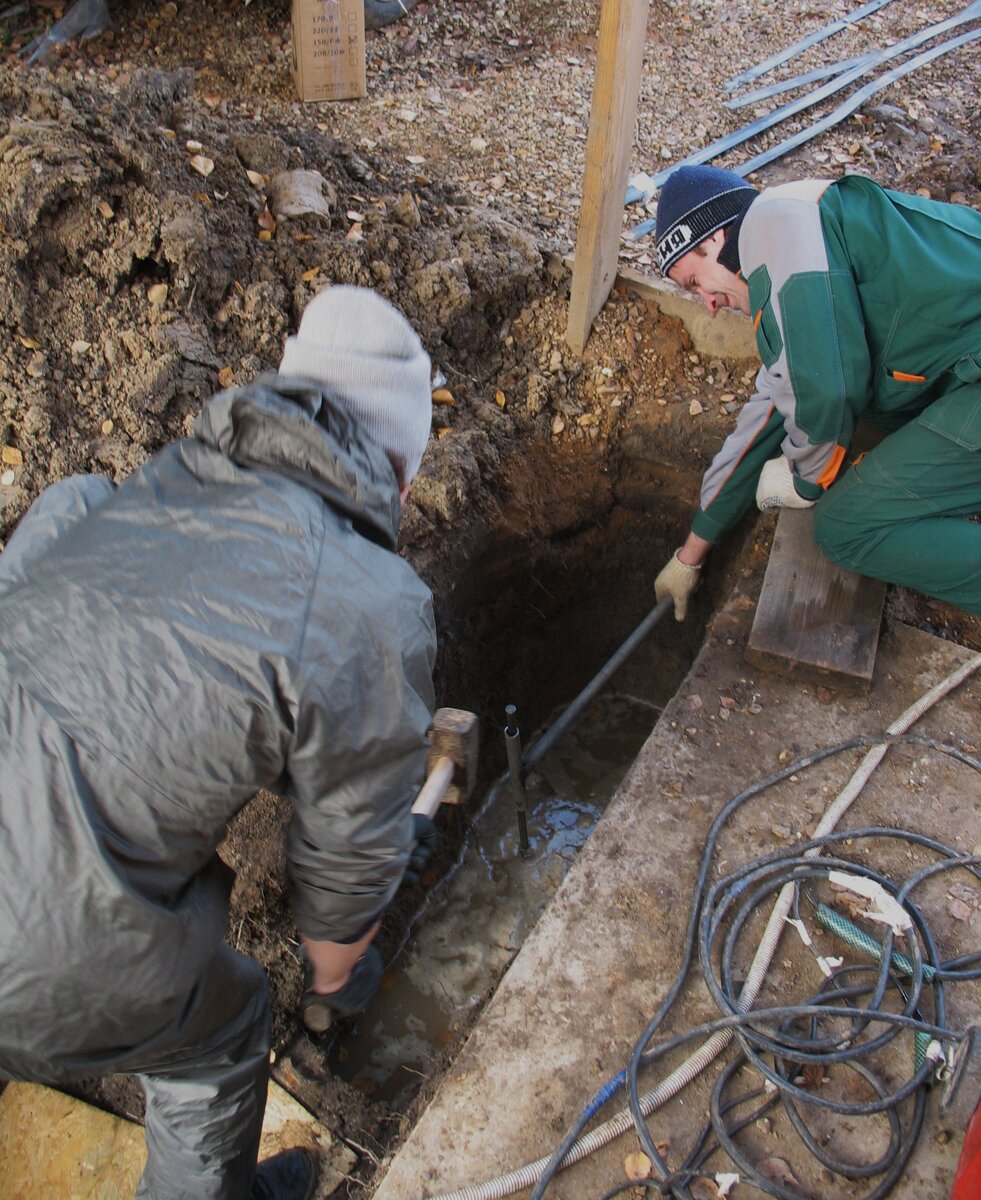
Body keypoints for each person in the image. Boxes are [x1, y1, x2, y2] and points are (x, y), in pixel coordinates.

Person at [0, 286, 438, 1200]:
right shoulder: (368, 600)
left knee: (74, 498)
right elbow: (352, 854)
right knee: (226, 1031)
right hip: (40, 943)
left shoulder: (164, 482)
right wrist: (333, 977)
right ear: (399, 474)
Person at [651, 164, 981, 621]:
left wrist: (804, 478)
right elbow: (764, 420)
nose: (706, 303)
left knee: (845, 526)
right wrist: (690, 554)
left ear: (713, 240)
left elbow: (826, 394)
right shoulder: (790, 262)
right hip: (967, 363)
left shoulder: (774, 228)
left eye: (693, 282)